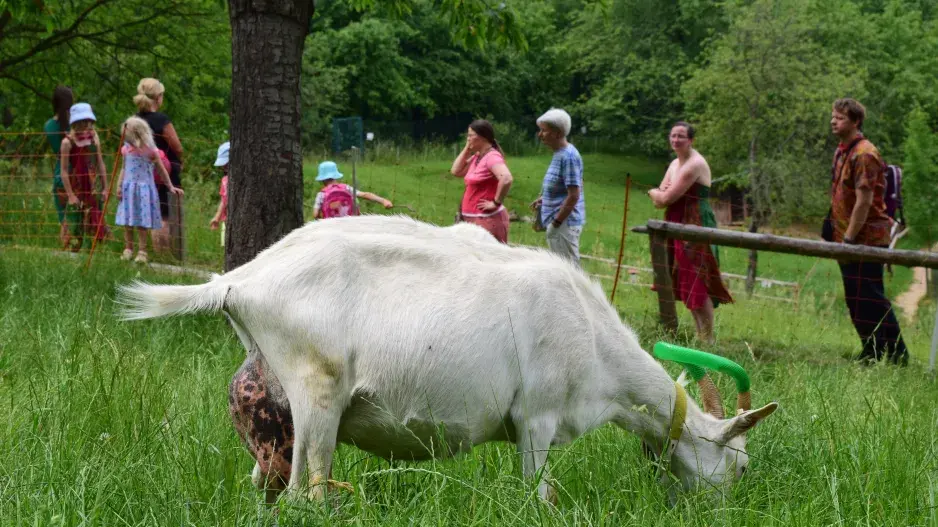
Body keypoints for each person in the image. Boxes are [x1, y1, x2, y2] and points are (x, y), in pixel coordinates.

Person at [828, 98, 908, 365]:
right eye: (833, 116)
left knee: (871, 297)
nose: (833, 121)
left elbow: (864, 201)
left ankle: (898, 355)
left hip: (867, 239)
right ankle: (871, 350)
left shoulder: (865, 154)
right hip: (845, 237)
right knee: (855, 299)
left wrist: (849, 238)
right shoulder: (842, 151)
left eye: (840, 118)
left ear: (855, 121)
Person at [647, 121, 733, 342]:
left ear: (691, 140)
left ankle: (708, 336)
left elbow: (664, 197)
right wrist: (660, 194)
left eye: (681, 136)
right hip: (676, 221)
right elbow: (663, 200)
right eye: (673, 136)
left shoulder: (694, 164)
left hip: (695, 222)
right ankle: (700, 333)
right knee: (684, 276)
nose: (676, 140)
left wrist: (652, 191)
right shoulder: (675, 163)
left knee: (698, 276)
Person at [115, 116, 183, 264]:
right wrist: (119, 186)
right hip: (129, 189)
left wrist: (170, 186)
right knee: (128, 221)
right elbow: (123, 169)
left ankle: (142, 251)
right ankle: (128, 249)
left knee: (141, 223)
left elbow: (161, 170)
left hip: (143, 190)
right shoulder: (126, 149)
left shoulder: (150, 151)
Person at [134, 78, 184, 256]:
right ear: (158, 98)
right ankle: (167, 255)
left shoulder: (134, 120)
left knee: (150, 211)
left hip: (141, 172)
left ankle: (152, 252)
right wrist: (181, 161)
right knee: (165, 213)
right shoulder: (161, 120)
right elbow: (177, 146)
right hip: (165, 172)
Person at [530, 108, 585, 265]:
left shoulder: (568, 156)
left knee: (568, 271)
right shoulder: (559, 153)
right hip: (559, 224)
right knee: (560, 269)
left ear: (558, 133)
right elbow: (564, 186)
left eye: (544, 130)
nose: (540, 134)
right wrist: (544, 199)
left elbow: (574, 194)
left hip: (564, 225)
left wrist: (556, 223)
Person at [449, 119, 513, 243]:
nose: (467, 139)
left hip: (487, 220)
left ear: (482, 137)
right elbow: (456, 171)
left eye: (470, 135)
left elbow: (506, 178)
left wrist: (495, 202)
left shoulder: (492, 157)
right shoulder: (477, 157)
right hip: (473, 221)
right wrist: (467, 149)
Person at [59, 102, 110, 252]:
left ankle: (94, 252)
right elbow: (63, 171)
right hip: (77, 186)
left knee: (94, 219)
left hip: (93, 186)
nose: (87, 125)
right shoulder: (67, 142)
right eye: (83, 122)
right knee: (75, 221)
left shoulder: (95, 138)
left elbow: (100, 163)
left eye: (89, 122)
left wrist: (105, 188)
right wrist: (70, 195)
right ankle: (72, 251)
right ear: (75, 123)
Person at [43, 85, 75, 249]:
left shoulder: (48, 126)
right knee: (78, 219)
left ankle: (64, 252)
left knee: (63, 219)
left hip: (59, 175)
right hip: (75, 174)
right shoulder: (75, 126)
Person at [311, 161, 392, 219]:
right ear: (336, 175)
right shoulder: (346, 188)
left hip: (331, 227)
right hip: (350, 224)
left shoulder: (321, 194)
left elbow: (315, 214)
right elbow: (364, 195)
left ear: (322, 179)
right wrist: (383, 201)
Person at [209, 141, 230, 247]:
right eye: (223, 165)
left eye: (226, 164)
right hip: (227, 219)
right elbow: (223, 200)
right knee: (227, 245)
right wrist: (217, 217)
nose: (224, 167)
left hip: (237, 218)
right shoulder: (225, 180)